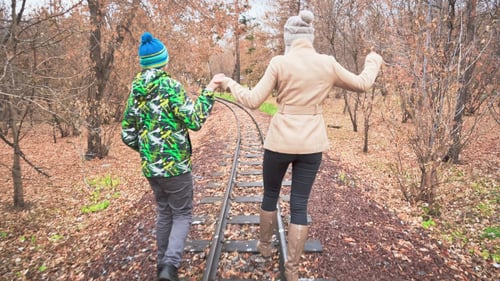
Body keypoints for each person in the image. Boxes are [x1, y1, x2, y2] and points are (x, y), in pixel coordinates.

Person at [215, 10, 383, 281]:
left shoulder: (279, 62)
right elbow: (363, 84)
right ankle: (291, 270)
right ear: (310, 37)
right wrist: (373, 60)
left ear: (288, 38)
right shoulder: (327, 63)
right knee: (300, 204)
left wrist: (229, 83)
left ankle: (265, 247)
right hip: (311, 145)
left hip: (280, 141)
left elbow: (253, 100)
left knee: (270, 194)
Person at [121, 32, 223, 281]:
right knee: (182, 213)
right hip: (175, 166)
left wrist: (148, 152)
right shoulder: (171, 86)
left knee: (165, 212)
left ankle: (161, 264)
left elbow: (127, 133)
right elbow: (196, 120)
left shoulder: (136, 91)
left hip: (151, 169)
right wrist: (209, 90)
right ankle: (170, 266)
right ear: (163, 61)